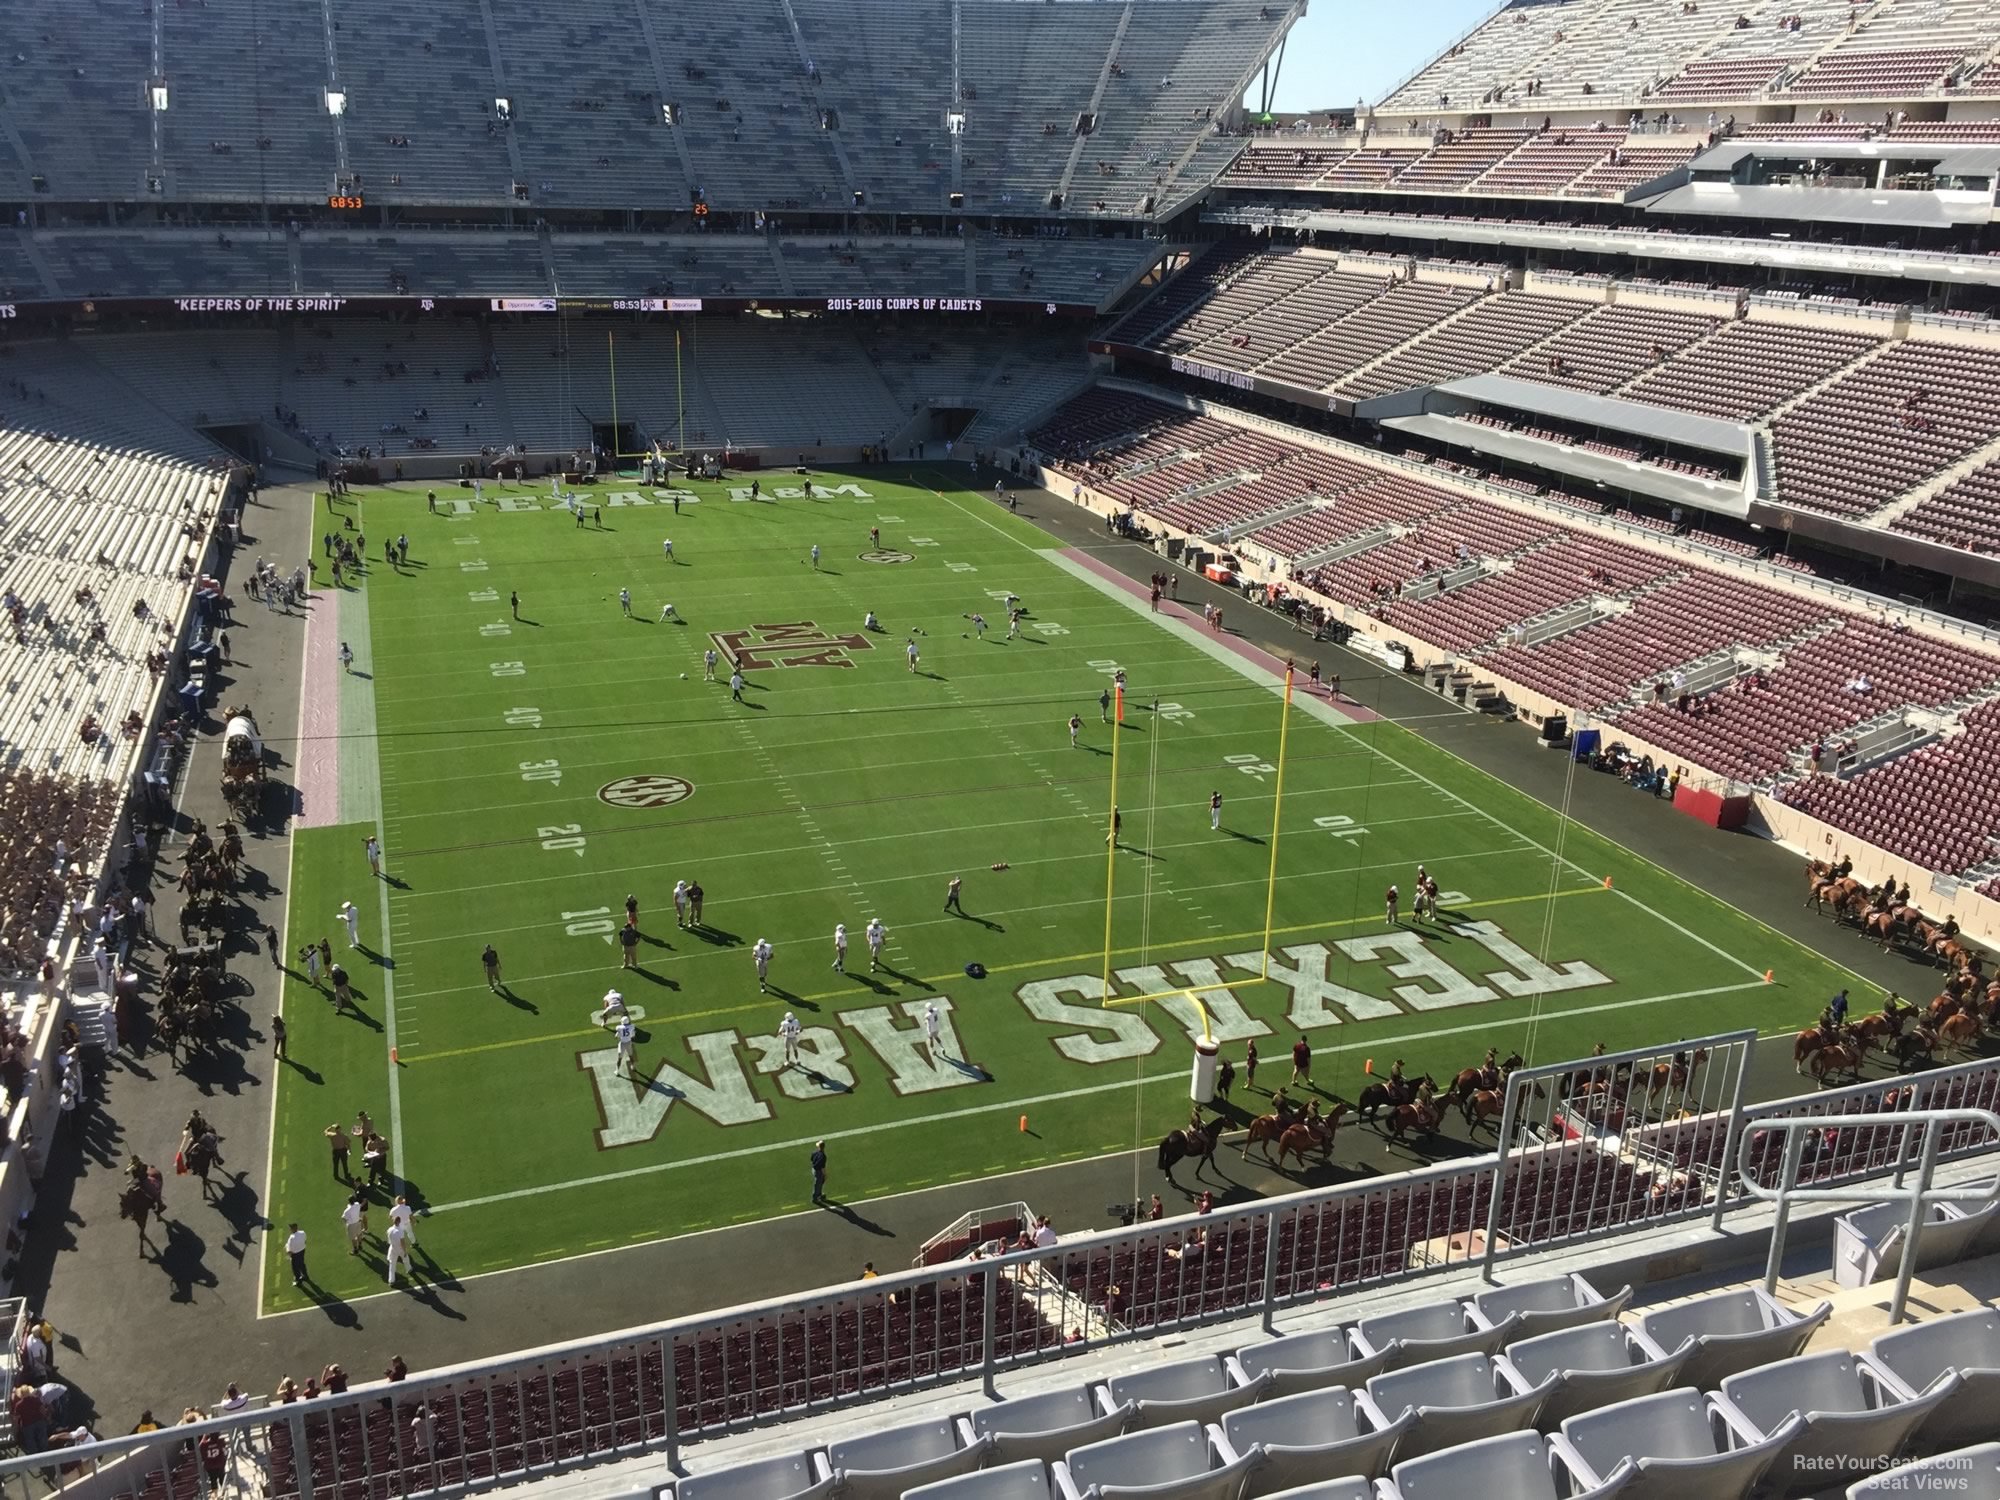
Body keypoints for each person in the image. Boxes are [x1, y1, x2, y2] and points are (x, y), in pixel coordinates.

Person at [286, 1223, 309, 1287]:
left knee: (295, 1268)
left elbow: (289, 1250)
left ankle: (298, 1281)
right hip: (302, 1251)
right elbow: (305, 1241)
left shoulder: (291, 1238)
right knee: (301, 1264)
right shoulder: (302, 1233)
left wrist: (289, 1257)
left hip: (295, 1254)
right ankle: (305, 1276)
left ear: (293, 1229)